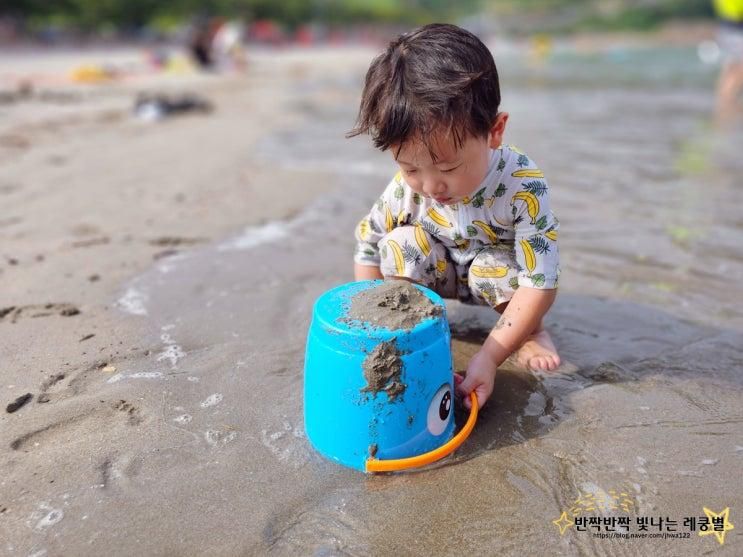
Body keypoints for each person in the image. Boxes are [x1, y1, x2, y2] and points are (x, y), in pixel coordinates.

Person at [348, 24, 561, 411]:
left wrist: (489, 358)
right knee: (397, 246)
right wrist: (376, 329)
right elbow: (367, 248)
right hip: (437, 272)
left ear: (494, 131)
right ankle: (416, 331)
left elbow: (540, 281)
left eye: (447, 167)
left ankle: (530, 332)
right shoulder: (405, 189)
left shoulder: (522, 185)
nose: (430, 186)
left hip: (496, 275)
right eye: (411, 168)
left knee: (495, 270)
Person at [714, 0, 743, 118]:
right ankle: (727, 106)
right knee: (736, 70)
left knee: (730, 69)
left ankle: (723, 107)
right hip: (735, 28)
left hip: (728, 28)